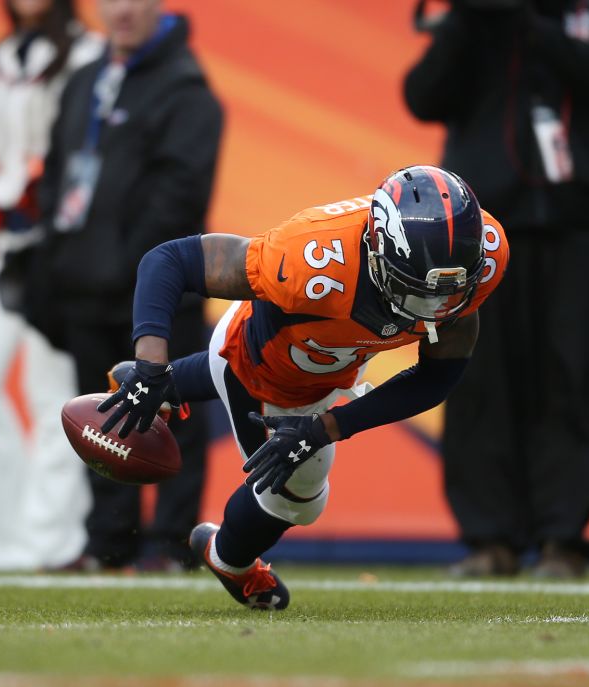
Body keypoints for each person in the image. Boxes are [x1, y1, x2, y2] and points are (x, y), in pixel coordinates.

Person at [97, 165, 510, 608]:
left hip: (335, 363)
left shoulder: (483, 256)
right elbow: (170, 260)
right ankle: (228, 560)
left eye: (449, 293)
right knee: (300, 498)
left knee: (317, 410)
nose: (432, 308)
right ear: (377, 250)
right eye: (415, 290)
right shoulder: (309, 257)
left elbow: (437, 377)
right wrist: (149, 364)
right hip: (256, 363)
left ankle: (175, 384)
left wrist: (324, 428)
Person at [404, 0, 589, 578]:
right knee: (478, 381)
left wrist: (531, 27)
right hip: (480, 237)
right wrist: (467, 22)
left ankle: (561, 540)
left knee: (572, 377)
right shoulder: (471, 23)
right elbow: (422, 97)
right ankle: (490, 541)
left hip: (579, 231)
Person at [23, 0, 222, 570]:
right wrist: (57, 263)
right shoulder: (84, 80)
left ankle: (172, 546)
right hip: (85, 286)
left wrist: (128, 266)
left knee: (174, 412)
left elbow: (178, 197)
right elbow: (58, 177)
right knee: (103, 419)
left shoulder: (188, 90)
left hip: (160, 293)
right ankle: (108, 546)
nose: (122, 9)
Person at [0, 0, 103, 571]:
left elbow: (89, 148)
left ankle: (48, 541)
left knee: (52, 398)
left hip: (59, 251)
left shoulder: (86, 53)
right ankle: (2, 527)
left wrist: (48, 188)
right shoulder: (2, 56)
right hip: (7, 247)